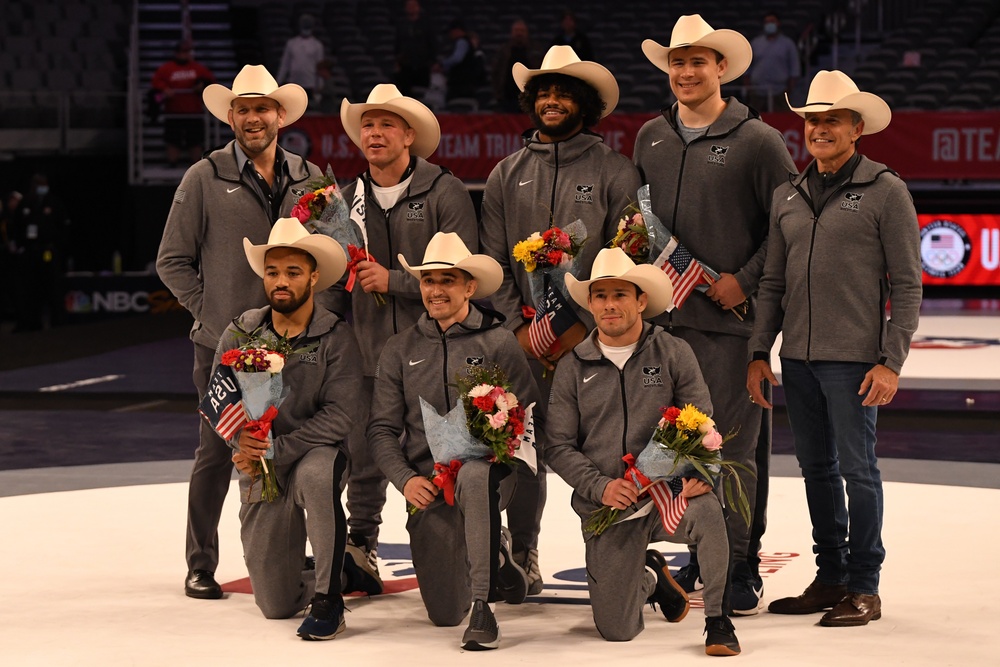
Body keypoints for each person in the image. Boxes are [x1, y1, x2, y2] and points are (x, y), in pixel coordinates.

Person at [634, 14, 797, 615]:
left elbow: (788, 227)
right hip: (662, 326)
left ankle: (740, 566)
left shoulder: (759, 141)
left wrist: (745, 281)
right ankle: (703, 552)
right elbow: (642, 224)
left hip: (730, 326)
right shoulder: (650, 135)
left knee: (733, 449)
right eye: (677, 62)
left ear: (721, 68)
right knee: (677, 448)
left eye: (697, 61)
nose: (685, 71)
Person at [747, 70, 921, 627]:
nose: (819, 129)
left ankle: (865, 587)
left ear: (856, 127)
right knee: (816, 470)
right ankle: (831, 577)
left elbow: (909, 283)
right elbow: (772, 283)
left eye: (831, 120)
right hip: (796, 358)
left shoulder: (886, 190)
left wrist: (891, 360)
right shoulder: (787, 195)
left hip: (855, 363)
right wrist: (759, 351)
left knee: (858, 470)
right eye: (812, 120)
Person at [480, 44, 641, 596]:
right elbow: (493, 261)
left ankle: (617, 564)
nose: (551, 100)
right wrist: (517, 330)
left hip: (596, 342)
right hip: (521, 344)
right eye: (543, 92)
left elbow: (631, 257)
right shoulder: (506, 173)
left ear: (586, 104)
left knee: (597, 456)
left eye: (563, 92)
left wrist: (583, 327)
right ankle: (523, 554)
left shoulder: (617, 170)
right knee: (522, 451)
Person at [157, 64, 320, 600]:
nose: (253, 117)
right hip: (224, 350)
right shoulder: (203, 177)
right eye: (244, 109)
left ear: (281, 115)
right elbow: (172, 261)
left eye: (262, 108)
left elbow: (340, 252)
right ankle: (200, 562)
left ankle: (296, 548)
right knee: (215, 452)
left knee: (299, 445)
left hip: (298, 343)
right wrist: (215, 317)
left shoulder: (311, 178)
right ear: (231, 116)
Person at [545, 248, 740, 655]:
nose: (609, 304)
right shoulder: (572, 364)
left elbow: (703, 423)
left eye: (620, 294)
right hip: (611, 505)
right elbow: (558, 446)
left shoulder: (672, 352)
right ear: (591, 303)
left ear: (640, 301)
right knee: (616, 629)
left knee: (707, 509)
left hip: (668, 493)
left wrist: (701, 476)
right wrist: (600, 487)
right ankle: (649, 576)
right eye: (600, 295)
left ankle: (718, 620)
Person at [327, 83, 479, 595]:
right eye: (367, 125)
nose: (375, 133)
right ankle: (361, 545)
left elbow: (463, 276)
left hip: (441, 353)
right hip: (369, 355)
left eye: (387, 124)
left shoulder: (445, 191)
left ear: (410, 135)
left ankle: (481, 543)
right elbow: (332, 281)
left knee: (454, 452)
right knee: (366, 454)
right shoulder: (345, 201)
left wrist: (393, 281)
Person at [367, 232, 540, 650]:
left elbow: (531, 418)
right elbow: (381, 430)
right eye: (429, 281)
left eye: (448, 280)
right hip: (430, 483)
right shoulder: (399, 348)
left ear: (469, 287)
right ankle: (492, 555)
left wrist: (502, 452)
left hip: (492, 473)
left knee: (478, 478)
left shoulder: (498, 341)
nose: (436, 290)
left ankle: (483, 608)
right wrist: (406, 479)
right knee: (444, 613)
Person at [221, 218, 361, 640]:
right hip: (261, 463)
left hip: (313, 452)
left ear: (314, 277)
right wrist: (238, 439)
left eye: (293, 272)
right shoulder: (242, 330)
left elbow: (340, 416)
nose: (281, 282)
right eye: (272, 272)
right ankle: (340, 566)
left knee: (318, 476)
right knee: (276, 605)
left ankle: (328, 600)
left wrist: (279, 449)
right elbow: (218, 400)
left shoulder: (336, 336)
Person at [150, 41, 216, 167]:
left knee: (195, 141)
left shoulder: (198, 68)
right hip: (173, 113)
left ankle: (197, 168)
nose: (183, 55)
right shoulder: (166, 68)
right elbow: (155, 82)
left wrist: (201, 85)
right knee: (172, 141)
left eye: (186, 52)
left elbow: (210, 80)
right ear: (176, 53)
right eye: (181, 52)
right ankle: (172, 164)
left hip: (194, 112)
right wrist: (164, 89)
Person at [747, 12, 801, 112]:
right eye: (767, 22)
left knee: (782, 123)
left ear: (778, 23)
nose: (769, 24)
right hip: (757, 92)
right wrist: (749, 88)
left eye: (772, 21)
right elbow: (747, 68)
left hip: (780, 92)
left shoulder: (788, 44)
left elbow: (794, 70)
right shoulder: (755, 43)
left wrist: (789, 90)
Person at [492, 19, 543, 113]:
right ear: (512, 32)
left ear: (527, 32)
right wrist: (498, 94)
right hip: (507, 97)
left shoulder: (536, 49)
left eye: (522, 31)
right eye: (516, 30)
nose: (519, 33)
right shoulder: (503, 50)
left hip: (530, 97)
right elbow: (496, 72)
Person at [277, 14, 326, 107]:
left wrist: (319, 85)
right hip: (294, 83)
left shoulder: (317, 45)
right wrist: (279, 82)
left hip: (310, 84)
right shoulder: (291, 43)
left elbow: (320, 67)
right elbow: (285, 64)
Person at [394, 0, 437, 97]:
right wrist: (397, 60)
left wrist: (432, 61)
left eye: (413, 5)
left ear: (418, 7)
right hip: (405, 66)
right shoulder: (402, 25)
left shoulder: (426, 24)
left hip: (423, 66)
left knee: (422, 94)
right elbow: (397, 44)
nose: (411, 8)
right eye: (408, 5)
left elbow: (432, 43)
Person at [438, 19, 483, 102]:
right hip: (465, 83)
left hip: (461, 84)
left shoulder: (462, 41)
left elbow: (457, 58)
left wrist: (442, 64)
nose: (449, 35)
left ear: (457, 31)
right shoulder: (466, 42)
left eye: (451, 32)